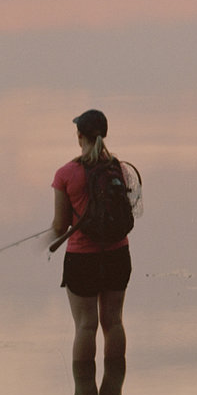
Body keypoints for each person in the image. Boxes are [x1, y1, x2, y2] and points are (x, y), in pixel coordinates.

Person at [49, 107, 139, 367]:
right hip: (118, 254)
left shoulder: (65, 174)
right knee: (114, 323)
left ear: (79, 136)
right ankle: (114, 390)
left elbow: (59, 226)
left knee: (86, 326)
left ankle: (84, 392)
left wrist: (48, 238)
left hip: (82, 260)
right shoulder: (118, 169)